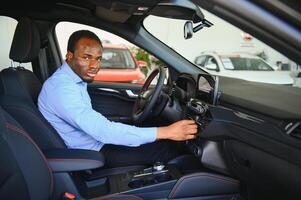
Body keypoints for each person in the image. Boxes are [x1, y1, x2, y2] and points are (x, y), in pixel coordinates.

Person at [38, 30, 197, 167]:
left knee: (153, 128)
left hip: (93, 141)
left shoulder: (72, 79)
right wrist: (166, 132)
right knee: (167, 149)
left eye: (98, 58)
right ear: (69, 56)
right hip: (91, 152)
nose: (94, 65)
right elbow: (102, 131)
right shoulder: (61, 88)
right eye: (86, 57)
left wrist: (162, 131)